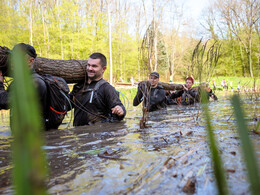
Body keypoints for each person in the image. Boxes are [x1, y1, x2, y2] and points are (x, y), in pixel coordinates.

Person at [0, 43, 65, 130]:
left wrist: (0, 84)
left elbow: (6, 102)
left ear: (30, 61)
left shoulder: (36, 83)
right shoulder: (16, 83)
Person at [69, 52, 126, 126]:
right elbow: (66, 106)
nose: (90, 68)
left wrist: (120, 110)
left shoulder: (107, 88)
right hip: (78, 134)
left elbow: (119, 107)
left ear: (103, 69)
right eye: (88, 65)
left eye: (94, 66)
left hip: (98, 134)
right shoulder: (78, 87)